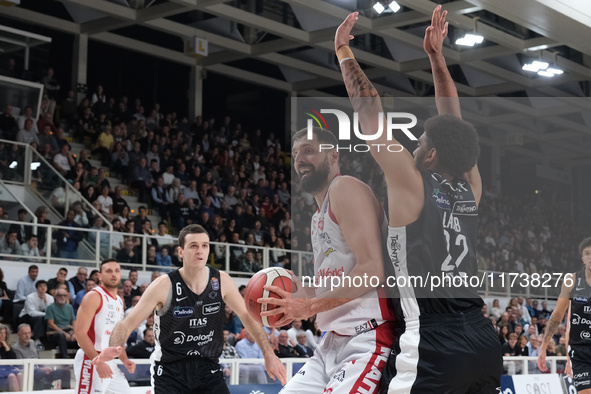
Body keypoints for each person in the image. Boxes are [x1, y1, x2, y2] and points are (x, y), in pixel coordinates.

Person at [335, 7, 502, 393]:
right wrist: (436, 58)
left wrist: (344, 50)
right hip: (482, 340)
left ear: (431, 156)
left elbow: (369, 109)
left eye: (421, 140)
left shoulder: (411, 184)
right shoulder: (471, 187)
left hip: (433, 340)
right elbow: (455, 124)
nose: (416, 143)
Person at [261, 125, 396, 391]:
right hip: (330, 343)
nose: (300, 159)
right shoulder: (317, 216)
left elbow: (372, 270)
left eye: (309, 151)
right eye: (296, 153)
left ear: (334, 156)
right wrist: (295, 293)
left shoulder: (345, 188)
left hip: (367, 338)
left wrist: (308, 308)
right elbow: (335, 284)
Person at [93, 224, 286, 393]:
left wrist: (269, 354)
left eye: (204, 246)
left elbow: (247, 316)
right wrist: (112, 348)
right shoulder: (164, 285)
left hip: (208, 369)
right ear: (181, 252)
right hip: (170, 371)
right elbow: (126, 325)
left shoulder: (221, 281)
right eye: (193, 246)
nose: (200, 251)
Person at [74, 259, 135, 394]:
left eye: (117, 271)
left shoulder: (119, 301)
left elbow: (116, 337)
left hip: (110, 361)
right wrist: (98, 362)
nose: (113, 274)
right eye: (108, 271)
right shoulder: (93, 296)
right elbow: (80, 333)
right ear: (100, 276)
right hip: (91, 359)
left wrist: (125, 360)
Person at [538, 237, 591, 393]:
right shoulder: (572, 280)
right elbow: (558, 316)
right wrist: (543, 346)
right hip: (580, 352)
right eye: (587, 253)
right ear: (583, 259)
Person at [46, 289, 77, 359]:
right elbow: (50, 324)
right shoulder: (50, 307)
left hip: (69, 331)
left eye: (64, 295)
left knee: (81, 335)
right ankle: (65, 358)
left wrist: (74, 333)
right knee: (61, 335)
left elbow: (74, 322)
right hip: (55, 333)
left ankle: (83, 359)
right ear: (55, 296)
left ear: (67, 297)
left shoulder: (69, 307)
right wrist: (64, 333)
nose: (62, 297)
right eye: (59, 295)